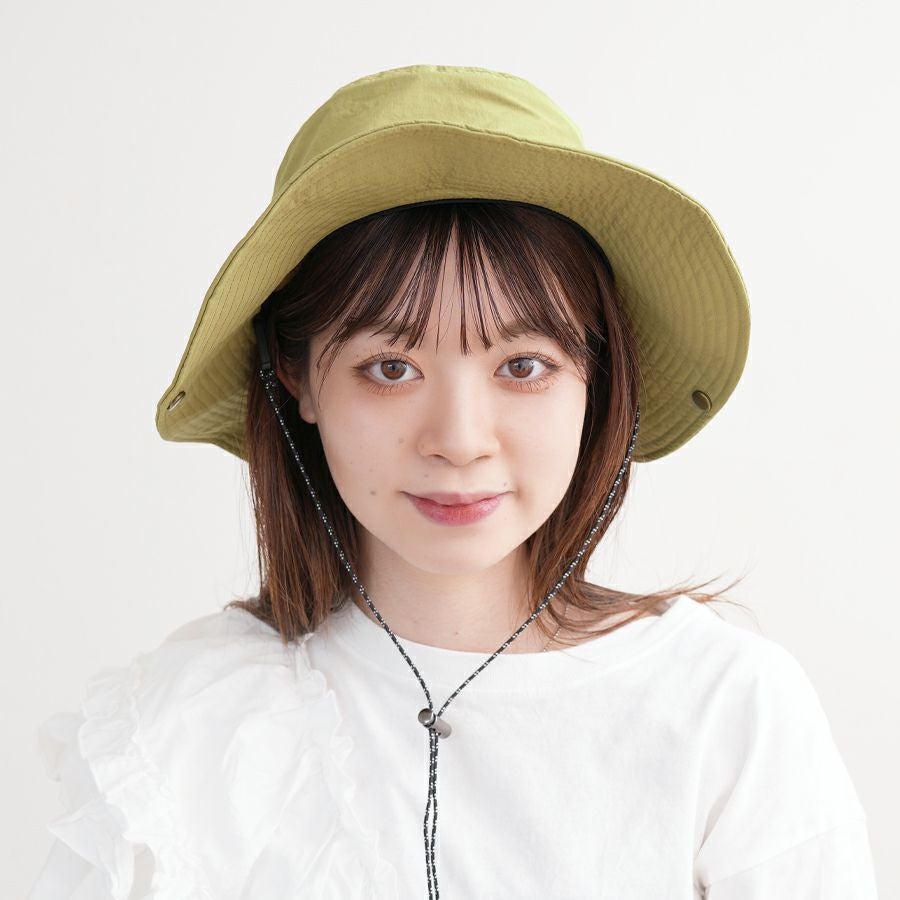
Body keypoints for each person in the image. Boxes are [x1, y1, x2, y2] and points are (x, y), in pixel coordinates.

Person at [29, 64, 878, 899]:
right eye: (391, 367)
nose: (460, 442)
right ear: (296, 376)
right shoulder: (188, 727)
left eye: (523, 365)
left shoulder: (722, 711)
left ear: (596, 375)